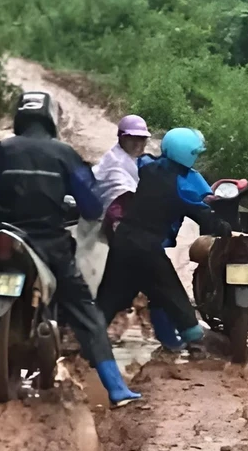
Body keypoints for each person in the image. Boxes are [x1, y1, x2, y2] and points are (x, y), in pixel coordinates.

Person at [0, 91, 141, 408]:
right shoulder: (64, 154)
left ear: (19, 118)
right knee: (84, 310)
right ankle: (115, 387)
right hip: (49, 243)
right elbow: (91, 205)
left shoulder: (1, 151)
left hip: (3, 234)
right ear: (51, 119)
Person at [96, 128, 231, 345]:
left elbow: (146, 160)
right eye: (195, 153)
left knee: (110, 297)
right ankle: (194, 338)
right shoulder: (182, 185)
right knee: (172, 293)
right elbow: (203, 215)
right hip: (147, 249)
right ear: (188, 153)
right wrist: (223, 227)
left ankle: (88, 345)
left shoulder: (149, 167)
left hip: (122, 241)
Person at [90, 116, 186, 351]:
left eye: (142, 139)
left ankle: (94, 341)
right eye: (133, 138)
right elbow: (118, 205)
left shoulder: (131, 161)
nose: (138, 143)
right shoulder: (116, 166)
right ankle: (173, 341)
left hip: (125, 237)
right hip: (118, 237)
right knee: (155, 286)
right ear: (122, 138)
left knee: (138, 291)